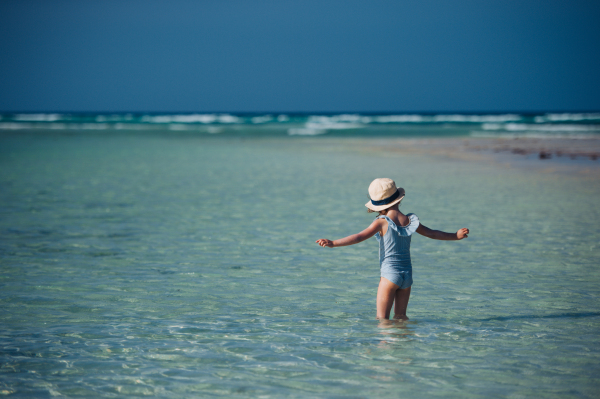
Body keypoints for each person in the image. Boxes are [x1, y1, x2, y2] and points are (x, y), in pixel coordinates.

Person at [316, 178, 469, 320]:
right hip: (406, 276)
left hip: (389, 276)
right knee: (401, 318)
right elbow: (433, 234)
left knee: (382, 320)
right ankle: (402, 347)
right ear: (398, 199)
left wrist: (334, 243)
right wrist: (455, 235)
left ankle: (384, 348)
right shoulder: (410, 220)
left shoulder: (382, 222)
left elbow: (358, 237)